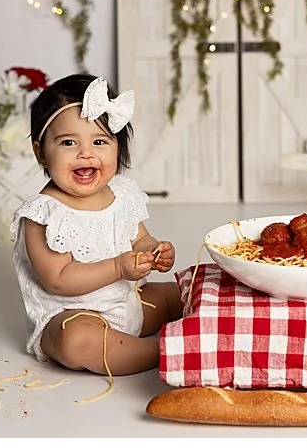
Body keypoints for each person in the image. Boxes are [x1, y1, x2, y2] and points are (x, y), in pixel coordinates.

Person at [10, 74, 182, 375]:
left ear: (118, 148)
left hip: (127, 305)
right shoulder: (43, 215)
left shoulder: (122, 195)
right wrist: (118, 268)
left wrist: (154, 251)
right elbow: (58, 279)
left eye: (100, 141)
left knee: (177, 292)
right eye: (68, 142)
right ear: (41, 153)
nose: (85, 153)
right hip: (71, 316)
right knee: (77, 340)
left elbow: (140, 238)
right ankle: (164, 352)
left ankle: (217, 317)